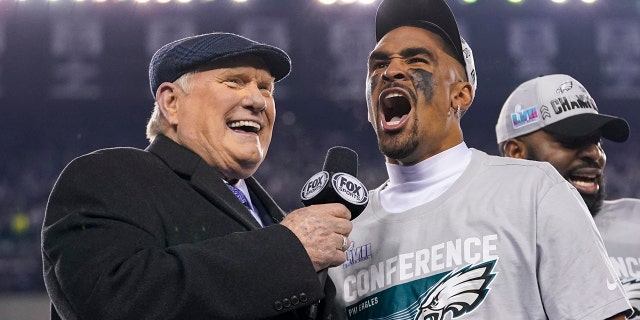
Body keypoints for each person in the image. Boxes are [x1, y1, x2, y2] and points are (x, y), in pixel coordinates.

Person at [327, 0, 632, 319]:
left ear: (460, 95)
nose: (390, 72)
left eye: (417, 60)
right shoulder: (345, 234)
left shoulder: (534, 193)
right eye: (378, 65)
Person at [41, 32, 352, 320]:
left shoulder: (274, 216)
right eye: (234, 81)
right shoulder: (109, 176)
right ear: (172, 103)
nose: (258, 100)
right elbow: (114, 301)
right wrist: (287, 250)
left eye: (265, 88)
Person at [495, 73, 640, 318]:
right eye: (572, 141)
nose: (596, 155)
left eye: (597, 142)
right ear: (516, 152)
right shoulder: (486, 247)